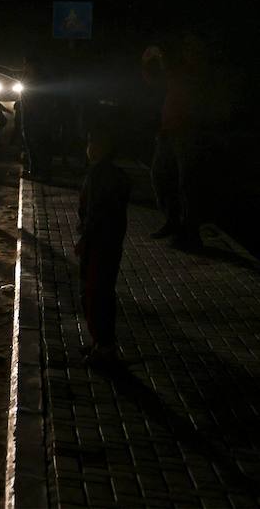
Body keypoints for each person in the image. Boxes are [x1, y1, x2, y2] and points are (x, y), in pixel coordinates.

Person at [75, 127, 133, 368]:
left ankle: (105, 347)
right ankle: (100, 342)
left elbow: (97, 212)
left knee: (96, 293)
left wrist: (84, 238)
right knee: (98, 292)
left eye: (93, 142)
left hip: (100, 242)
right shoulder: (112, 173)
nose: (89, 148)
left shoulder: (101, 175)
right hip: (109, 241)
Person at [142, 42, 201, 248]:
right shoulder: (181, 71)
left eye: (192, 50)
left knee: (187, 183)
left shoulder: (196, 74)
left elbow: (170, 78)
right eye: (187, 49)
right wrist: (149, 61)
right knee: (160, 176)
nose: (188, 53)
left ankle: (190, 232)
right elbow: (154, 81)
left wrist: (158, 58)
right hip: (169, 133)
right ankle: (173, 221)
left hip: (188, 133)